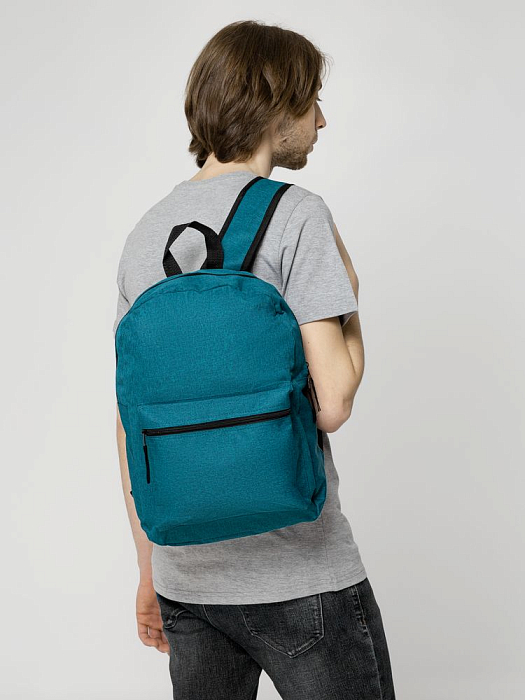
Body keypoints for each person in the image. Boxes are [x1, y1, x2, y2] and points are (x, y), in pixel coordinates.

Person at [113, 19, 396, 700]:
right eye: (311, 100)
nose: (321, 120)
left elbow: (130, 424)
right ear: (274, 104)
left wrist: (149, 570)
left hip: (185, 583)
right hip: (301, 580)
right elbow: (332, 403)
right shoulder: (296, 214)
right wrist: (352, 302)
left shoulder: (145, 233)